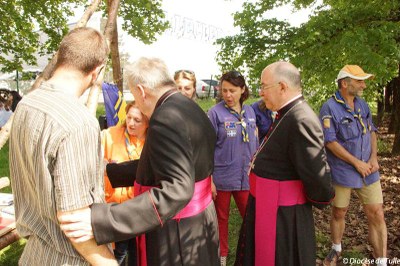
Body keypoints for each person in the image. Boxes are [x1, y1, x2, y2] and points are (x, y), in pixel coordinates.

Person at [59, 57, 220, 266]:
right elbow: (162, 164)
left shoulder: (165, 117)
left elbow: (177, 189)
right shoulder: (188, 106)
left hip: (177, 230)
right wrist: (110, 171)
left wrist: (101, 220)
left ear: (142, 91)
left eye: (133, 94)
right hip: (199, 220)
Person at [9, 27, 117, 265]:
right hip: (68, 258)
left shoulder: (27, 103)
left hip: (34, 254)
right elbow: (74, 221)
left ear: (61, 57)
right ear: (97, 71)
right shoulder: (78, 123)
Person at [235, 61, 335, 266]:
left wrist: (321, 198)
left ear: (282, 87)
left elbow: (317, 175)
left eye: (264, 86)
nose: (260, 92)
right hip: (269, 206)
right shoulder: (287, 113)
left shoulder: (300, 118)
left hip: (283, 217)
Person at [320, 65, 387, 266]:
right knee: (340, 211)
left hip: (368, 169)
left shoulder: (363, 104)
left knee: (377, 212)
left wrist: (373, 158)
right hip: (343, 170)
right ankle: (336, 247)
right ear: (344, 83)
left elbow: (371, 131)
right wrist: (356, 163)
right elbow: (330, 142)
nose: (364, 85)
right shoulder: (329, 107)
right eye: (359, 81)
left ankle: (382, 260)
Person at [207, 70, 258, 266]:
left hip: (246, 177)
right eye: (224, 90)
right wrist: (210, 179)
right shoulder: (215, 113)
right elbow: (208, 147)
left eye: (233, 91)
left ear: (242, 90)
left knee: (250, 217)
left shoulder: (251, 111)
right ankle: (222, 257)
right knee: (221, 219)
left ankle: (250, 253)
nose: (228, 95)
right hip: (222, 178)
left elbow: (255, 141)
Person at [102, 101, 149, 266]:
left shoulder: (152, 143)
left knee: (137, 254)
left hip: (140, 210)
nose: (131, 123)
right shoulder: (110, 136)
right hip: (116, 210)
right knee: (118, 255)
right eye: (129, 118)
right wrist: (103, 163)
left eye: (137, 120)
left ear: (147, 123)